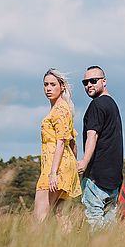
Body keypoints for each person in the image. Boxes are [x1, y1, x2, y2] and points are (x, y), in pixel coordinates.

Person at [76, 65, 124, 229]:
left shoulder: (97, 105)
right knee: (110, 225)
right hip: (114, 179)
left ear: (104, 81)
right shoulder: (112, 104)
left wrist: (84, 162)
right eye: (85, 82)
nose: (89, 85)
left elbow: (92, 135)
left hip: (96, 177)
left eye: (93, 81)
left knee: (95, 221)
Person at [34, 68, 82, 222]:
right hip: (63, 166)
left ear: (62, 86)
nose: (48, 88)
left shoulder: (60, 110)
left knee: (39, 217)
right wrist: (74, 165)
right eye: (46, 84)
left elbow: (61, 142)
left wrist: (53, 173)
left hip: (56, 168)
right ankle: (73, 245)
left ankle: (33, 246)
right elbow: (73, 141)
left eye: (53, 84)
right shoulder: (61, 108)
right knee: (62, 216)